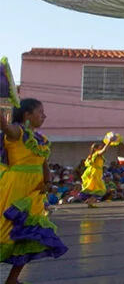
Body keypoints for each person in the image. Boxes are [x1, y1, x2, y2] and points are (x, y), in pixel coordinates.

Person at [0, 99, 68, 284]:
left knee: (30, 233)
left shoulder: (40, 139)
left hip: (34, 192)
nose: (44, 116)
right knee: (6, 230)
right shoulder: (17, 132)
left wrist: (47, 180)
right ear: (27, 114)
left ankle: (12, 280)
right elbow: (5, 127)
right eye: (40, 112)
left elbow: (43, 161)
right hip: (16, 188)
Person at [79, 142, 110, 207]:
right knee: (100, 189)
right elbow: (104, 150)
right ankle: (90, 201)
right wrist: (109, 142)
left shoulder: (92, 155)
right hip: (95, 173)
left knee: (94, 189)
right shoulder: (96, 154)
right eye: (100, 147)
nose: (101, 148)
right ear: (95, 149)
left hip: (94, 173)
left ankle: (90, 202)